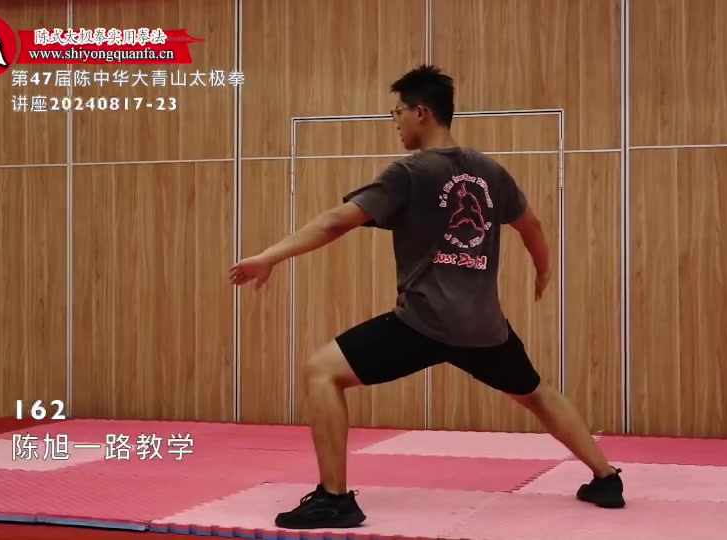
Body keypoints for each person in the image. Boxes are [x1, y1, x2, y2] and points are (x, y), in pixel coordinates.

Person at [229, 64, 625, 530]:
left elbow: (336, 221)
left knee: (321, 371)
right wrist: (543, 270)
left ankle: (334, 500)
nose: (395, 122)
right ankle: (606, 478)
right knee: (535, 393)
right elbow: (531, 225)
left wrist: (268, 257)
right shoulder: (489, 171)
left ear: (421, 112)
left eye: (397, 112)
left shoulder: (411, 172)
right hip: (483, 327)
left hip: (422, 324)